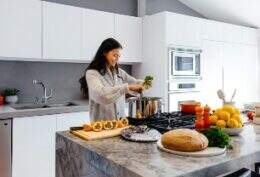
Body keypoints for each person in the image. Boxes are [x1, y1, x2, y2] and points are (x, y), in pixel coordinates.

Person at [79, 38, 144, 121]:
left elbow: (135, 83)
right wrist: (126, 88)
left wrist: (144, 83)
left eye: (119, 56)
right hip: (102, 126)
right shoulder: (92, 73)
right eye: (114, 55)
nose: (117, 59)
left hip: (120, 124)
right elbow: (101, 96)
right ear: (104, 53)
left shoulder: (119, 72)